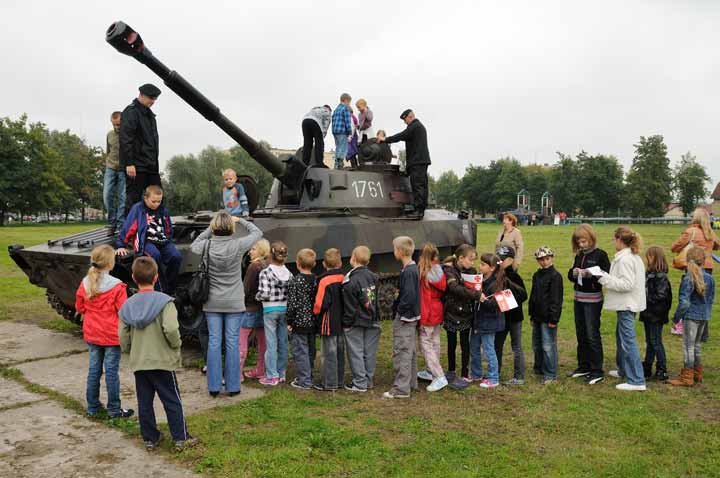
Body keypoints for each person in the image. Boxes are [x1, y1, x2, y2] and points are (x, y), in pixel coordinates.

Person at [118, 256, 197, 451]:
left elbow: (122, 334)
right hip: (162, 360)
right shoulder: (165, 302)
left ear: (134, 278)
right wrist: (176, 345)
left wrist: (129, 350)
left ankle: (150, 438)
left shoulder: (128, 305)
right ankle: (181, 437)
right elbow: (170, 328)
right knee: (171, 399)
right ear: (155, 278)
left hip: (140, 361)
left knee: (144, 402)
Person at [190, 211, 263, 397]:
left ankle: (214, 386)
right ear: (231, 228)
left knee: (214, 342)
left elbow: (194, 245)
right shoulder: (238, 245)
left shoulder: (206, 246)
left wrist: (210, 229)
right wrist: (241, 221)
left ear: (214, 227)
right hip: (234, 301)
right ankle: (233, 386)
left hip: (212, 300)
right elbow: (257, 233)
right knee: (232, 343)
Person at [74, 245, 133, 419]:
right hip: (111, 335)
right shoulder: (117, 287)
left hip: (92, 333)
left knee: (94, 370)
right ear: (110, 264)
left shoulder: (85, 283)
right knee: (111, 372)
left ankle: (92, 407)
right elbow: (123, 311)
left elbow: (79, 307)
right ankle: (114, 409)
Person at [595, 226, 647, 391]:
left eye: (614, 239)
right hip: (628, 303)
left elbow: (626, 284)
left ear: (619, 240)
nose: (613, 242)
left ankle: (637, 380)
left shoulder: (625, 260)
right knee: (622, 337)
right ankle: (624, 370)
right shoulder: (632, 257)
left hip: (627, 303)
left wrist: (603, 278)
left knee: (628, 341)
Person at [115, 185, 182, 295]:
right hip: (145, 241)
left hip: (163, 241)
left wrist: (168, 237)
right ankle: (159, 290)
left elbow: (168, 227)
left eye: (159, 201)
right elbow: (128, 227)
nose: (156, 204)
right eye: (153, 201)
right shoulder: (138, 209)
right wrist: (120, 245)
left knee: (176, 257)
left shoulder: (163, 210)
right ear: (146, 198)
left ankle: (171, 288)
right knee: (154, 256)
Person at [567, 224, 611, 385]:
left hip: (593, 301)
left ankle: (596, 369)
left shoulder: (600, 255)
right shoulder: (579, 255)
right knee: (581, 334)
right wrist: (573, 273)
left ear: (591, 239)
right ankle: (583, 366)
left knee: (592, 335)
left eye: (584, 241)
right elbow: (571, 275)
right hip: (578, 299)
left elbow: (606, 275)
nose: (581, 244)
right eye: (579, 241)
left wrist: (590, 274)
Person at [669, 247, 715, 386]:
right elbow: (711, 299)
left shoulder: (688, 278)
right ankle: (697, 373)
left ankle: (687, 376)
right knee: (697, 345)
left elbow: (684, 302)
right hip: (704, 315)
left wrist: (676, 318)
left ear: (687, 260)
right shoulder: (710, 278)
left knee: (688, 346)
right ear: (704, 261)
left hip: (691, 317)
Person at [670, 208, 720, 336]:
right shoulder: (710, 233)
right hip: (708, 267)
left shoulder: (691, 231)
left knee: (688, 297)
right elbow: (718, 246)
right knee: (703, 298)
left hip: (693, 266)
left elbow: (675, 247)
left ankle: (684, 326)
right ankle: (704, 332)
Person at [384, 236, 420, 399]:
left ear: (399, 251)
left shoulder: (409, 271)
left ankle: (401, 389)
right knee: (409, 351)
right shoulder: (410, 269)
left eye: (394, 249)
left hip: (405, 318)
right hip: (410, 317)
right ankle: (411, 383)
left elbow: (409, 297)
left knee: (402, 352)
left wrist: (399, 310)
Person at [442, 244, 482, 390]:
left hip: (466, 313)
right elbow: (454, 288)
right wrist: (476, 294)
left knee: (465, 344)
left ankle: (465, 372)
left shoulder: (472, 271)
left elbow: (476, 285)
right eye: (470, 260)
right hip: (451, 312)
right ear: (461, 258)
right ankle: (451, 370)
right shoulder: (449, 271)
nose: (472, 263)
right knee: (451, 343)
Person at [342, 246, 381, 392]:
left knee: (356, 352)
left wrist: (346, 323)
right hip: (372, 319)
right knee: (369, 352)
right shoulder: (374, 277)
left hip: (356, 321)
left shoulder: (349, 281)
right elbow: (374, 299)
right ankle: (368, 380)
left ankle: (359, 382)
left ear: (353, 258)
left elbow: (349, 306)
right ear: (368, 260)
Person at [380, 109, 431, 219]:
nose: (405, 122)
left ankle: (419, 211)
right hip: (420, 161)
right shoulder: (418, 127)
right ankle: (420, 208)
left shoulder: (415, 126)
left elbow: (401, 136)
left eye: (405, 119)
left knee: (417, 185)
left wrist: (385, 139)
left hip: (417, 161)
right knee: (421, 185)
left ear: (410, 116)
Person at [120, 83, 162, 214]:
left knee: (157, 197)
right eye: (151, 98)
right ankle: (130, 230)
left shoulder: (150, 115)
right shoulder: (131, 112)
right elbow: (126, 139)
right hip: (136, 165)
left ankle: (155, 227)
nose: (153, 101)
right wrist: (129, 163)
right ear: (141, 95)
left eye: (155, 99)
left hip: (151, 164)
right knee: (134, 199)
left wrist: (155, 163)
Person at [256, 241, 292, 386]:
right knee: (283, 341)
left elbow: (264, 294)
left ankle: (272, 376)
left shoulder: (266, 272)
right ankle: (281, 372)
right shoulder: (288, 273)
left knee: (271, 343)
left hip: (270, 309)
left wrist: (256, 296)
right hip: (284, 309)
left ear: (270, 255)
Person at [471, 253, 507, 389]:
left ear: (492, 268)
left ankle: (493, 377)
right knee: (474, 347)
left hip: (490, 323)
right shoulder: (479, 280)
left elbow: (496, 305)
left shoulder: (497, 283)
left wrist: (482, 300)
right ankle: (476, 373)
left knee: (488, 349)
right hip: (477, 320)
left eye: (483, 264)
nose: (479, 266)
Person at [494, 245, 528, 385]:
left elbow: (523, 295)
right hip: (501, 317)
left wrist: (509, 298)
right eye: (497, 260)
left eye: (502, 260)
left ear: (510, 260)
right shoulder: (496, 275)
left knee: (516, 346)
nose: (499, 263)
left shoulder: (514, 276)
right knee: (497, 345)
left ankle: (519, 376)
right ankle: (495, 373)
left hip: (514, 317)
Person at [529, 246, 563, 385]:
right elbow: (533, 295)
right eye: (541, 260)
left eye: (547, 259)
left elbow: (556, 299)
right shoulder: (537, 275)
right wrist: (531, 314)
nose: (544, 262)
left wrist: (553, 319)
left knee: (548, 345)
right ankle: (539, 368)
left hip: (548, 317)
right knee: (537, 344)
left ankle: (550, 373)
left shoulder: (555, 276)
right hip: (537, 316)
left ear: (552, 258)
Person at [417, 243, 448, 392]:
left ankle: (438, 375)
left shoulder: (424, 272)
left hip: (428, 311)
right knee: (435, 342)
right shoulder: (439, 270)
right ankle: (431, 371)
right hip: (437, 310)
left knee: (426, 345)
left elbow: (424, 297)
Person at [313, 248, 346, 391]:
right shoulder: (344, 277)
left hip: (328, 321)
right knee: (339, 352)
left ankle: (329, 383)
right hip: (342, 320)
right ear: (340, 263)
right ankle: (339, 380)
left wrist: (315, 313)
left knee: (328, 353)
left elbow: (320, 303)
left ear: (324, 264)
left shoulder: (324, 280)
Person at [286, 248, 318, 390]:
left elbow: (292, 304)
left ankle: (304, 381)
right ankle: (308, 375)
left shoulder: (295, 281)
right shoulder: (317, 280)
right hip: (313, 321)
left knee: (300, 351)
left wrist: (289, 321)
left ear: (298, 264)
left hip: (299, 322)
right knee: (311, 350)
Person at [640, 246, 672, 382]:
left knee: (656, 341)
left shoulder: (661, 277)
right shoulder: (649, 274)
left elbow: (661, 295)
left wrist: (645, 298)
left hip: (656, 314)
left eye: (650, 256)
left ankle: (662, 368)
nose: (647, 259)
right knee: (650, 341)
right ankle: (647, 366)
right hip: (648, 313)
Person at [241, 239, 271, 380]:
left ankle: (236, 373)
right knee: (262, 342)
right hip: (263, 308)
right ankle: (261, 369)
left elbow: (245, 289)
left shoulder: (254, 267)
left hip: (249, 308)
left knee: (241, 341)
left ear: (261, 250)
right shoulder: (268, 265)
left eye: (253, 249)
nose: (249, 252)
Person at [103, 111, 125, 232]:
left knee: (123, 197)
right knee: (107, 195)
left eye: (119, 124)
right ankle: (112, 223)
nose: (117, 127)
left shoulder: (129, 134)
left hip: (124, 168)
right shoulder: (109, 135)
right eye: (114, 125)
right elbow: (108, 151)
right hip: (110, 167)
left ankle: (121, 224)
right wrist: (108, 163)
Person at [331, 93, 352, 170]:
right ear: (346, 100)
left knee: (338, 147)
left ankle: (336, 165)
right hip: (342, 131)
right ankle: (339, 164)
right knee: (343, 147)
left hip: (335, 131)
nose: (349, 103)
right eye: (349, 102)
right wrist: (349, 132)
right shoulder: (345, 108)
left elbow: (332, 120)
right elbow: (347, 121)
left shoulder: (336, 109)